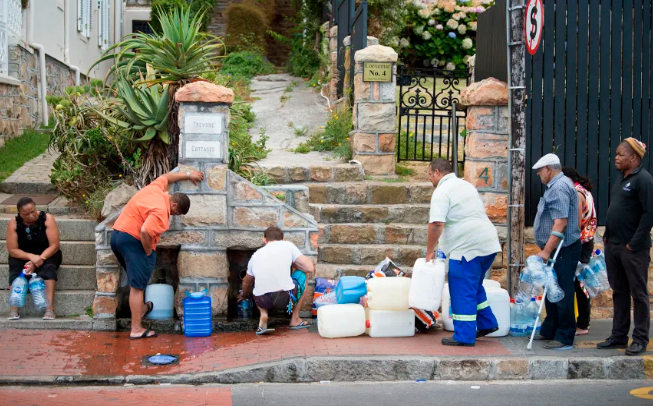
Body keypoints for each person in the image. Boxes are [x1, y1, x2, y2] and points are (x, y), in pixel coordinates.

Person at [111, 170, 204, 340]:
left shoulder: (155, 190)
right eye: (175, 214)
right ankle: (136, 329)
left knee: (136, 281)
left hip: (117, 236)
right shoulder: (162, 211)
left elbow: (166, 177)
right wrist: (147, 251)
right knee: (137, 287)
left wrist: (189, 175)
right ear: (174, 206)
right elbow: (145, 230)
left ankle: (144, 309)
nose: (173, 215)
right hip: (133, 241)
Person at [425, 158, 502, 347]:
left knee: (461, 290)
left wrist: (429, 251)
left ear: (436, 172)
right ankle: (487, 323)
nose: (429, 179)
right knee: (474, 287)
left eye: (429, 175)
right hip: (488, 244)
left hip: (467, 248)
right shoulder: (466, 186)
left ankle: (464, 336)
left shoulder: (441, 191)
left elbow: (436, 224)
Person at [597, 138, 653, 356]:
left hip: (633, 249)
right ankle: (619, 335)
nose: (616, 158)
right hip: (614, 245)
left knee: (638, 294)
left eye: (621, 154)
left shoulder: (644, 180)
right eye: (616, 154)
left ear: (634, 157)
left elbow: (649, 214)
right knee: (619, 292)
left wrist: (633, 244)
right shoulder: (621, 179)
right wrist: (608, 237)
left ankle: (640, 339)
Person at [532, 154, 581, 350]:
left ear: (549, 170)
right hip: (559, 249)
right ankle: (550, 330)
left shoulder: (559, 187)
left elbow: (560, 223)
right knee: (552, 290)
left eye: (540, 170)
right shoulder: (557, 185)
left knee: (561, 291)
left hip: (563, 249)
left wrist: (546, 251)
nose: (538, 174)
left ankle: (564, 336)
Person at [239, 226, 315, 335]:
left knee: (257, 285)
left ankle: (263, 314)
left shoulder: (255, 255)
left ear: (264, 240)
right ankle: (295, 320)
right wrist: (293, 262)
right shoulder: (288, 246)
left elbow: (247, 281)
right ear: (282, 239)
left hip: (262, 301)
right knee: (304, 274)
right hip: (284, 298)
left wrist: (244, 295)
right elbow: (309, 268)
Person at [6, 197, 62, 320]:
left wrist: (38, 260)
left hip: (47, 254)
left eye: (33, 211)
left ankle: (49, 308)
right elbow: (13, 250)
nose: (32, 215)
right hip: (24, 255)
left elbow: (54, 245)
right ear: (20, 214)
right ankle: (14, 307)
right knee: (16, 268)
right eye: (27, 214)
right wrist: (31, 257)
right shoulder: (14, 223)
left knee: (48, 269)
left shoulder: (47, 219)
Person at [562, 167, 597, 336]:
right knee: (580, 283)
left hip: (580, 243)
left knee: (579, 284)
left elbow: (575, 224)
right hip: (586, 242)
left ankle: (583, 324)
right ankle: (583, 322)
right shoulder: (584, 191)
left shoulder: (576, 194)